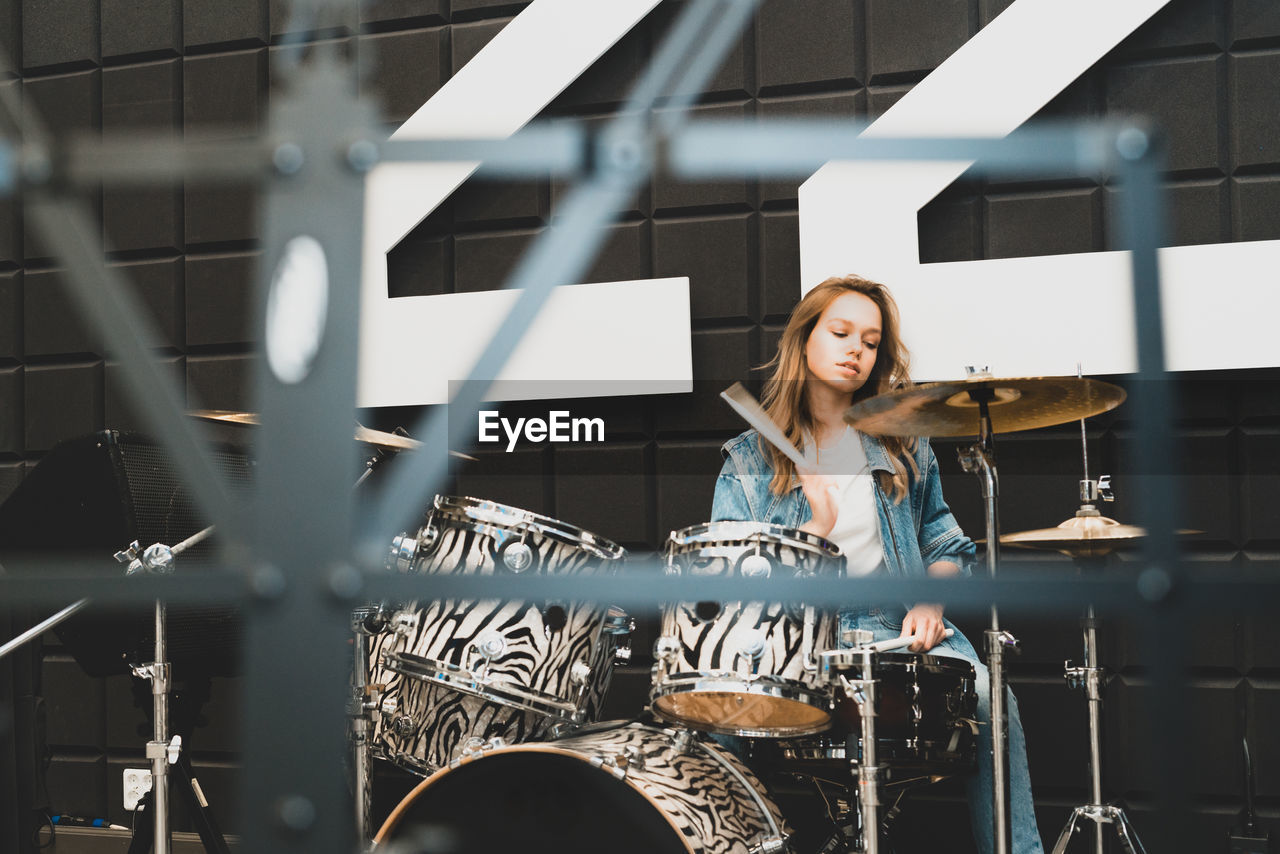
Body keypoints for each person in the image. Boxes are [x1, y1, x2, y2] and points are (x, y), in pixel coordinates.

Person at [710, 274, 1044, 854]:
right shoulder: (750, 458)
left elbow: (944, 547)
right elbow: (733, 587)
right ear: (805, 341)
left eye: (869, 341)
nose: (855, 350)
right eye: (840, 332)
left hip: (898, 631)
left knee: (992, 699)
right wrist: (811, 531)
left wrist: (929, 601)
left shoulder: (904, 445)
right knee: (720, 705)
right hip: (801, 642)